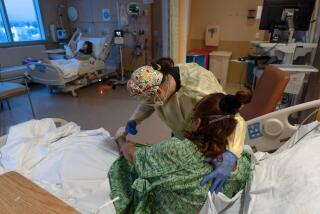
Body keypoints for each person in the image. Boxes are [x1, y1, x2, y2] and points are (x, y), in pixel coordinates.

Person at [109, 91, 252, 214]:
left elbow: (133, 157)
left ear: (197, 122)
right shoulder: (235, 166)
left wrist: (121, 140)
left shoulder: (177, 149)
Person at [121, 57, 247, 193]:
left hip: (208, 143)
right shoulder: (160, 81)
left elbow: (234, 119)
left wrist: (232, 154)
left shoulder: (200, 90)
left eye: (151, 99)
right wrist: (135, 119)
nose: (150, 104)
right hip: (187, 142)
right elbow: (149, 102)